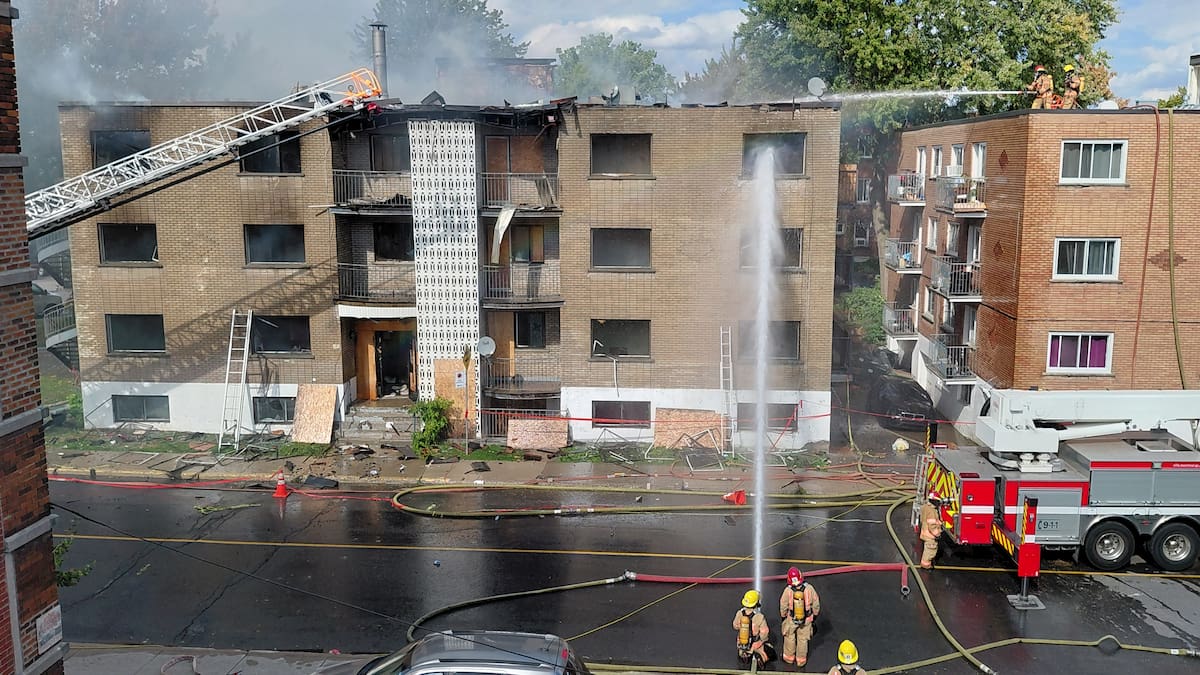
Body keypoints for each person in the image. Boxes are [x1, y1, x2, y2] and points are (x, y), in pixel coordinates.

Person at [779, 567, 821, 668]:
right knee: (803, 640)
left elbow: (783, 605)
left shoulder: (788, 591)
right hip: (807, 620)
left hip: (791, 619)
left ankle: (789, 658)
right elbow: (816, 604)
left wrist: (783, 616)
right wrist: (814, 615)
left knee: (789, 637)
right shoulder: (809, 588)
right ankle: (801, 661)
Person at [733, 589, 773, 667]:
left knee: (742, 651)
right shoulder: (759, 616)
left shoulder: (739, 613)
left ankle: (744, 655)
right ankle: (761, 658)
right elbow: (764, 631)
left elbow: (735, 625)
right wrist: (762, 640)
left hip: (742, 641)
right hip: (755, 642)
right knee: (767, 650)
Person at [920, 491, 945, 569]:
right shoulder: (932, 511)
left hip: (925, 532)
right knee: (930, 550)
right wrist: (937, 534)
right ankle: (926, 565)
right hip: (930, 535)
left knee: (927, 549)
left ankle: (925, 563)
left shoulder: (925, 507)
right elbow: (932, 525)